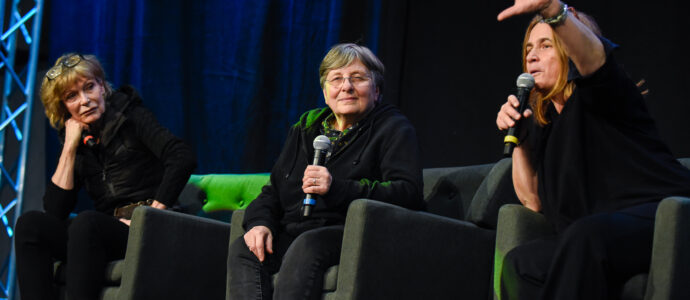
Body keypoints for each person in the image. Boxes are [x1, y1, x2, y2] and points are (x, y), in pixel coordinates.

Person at [495, 1, 690, 299]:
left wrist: (552, 9)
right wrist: (520, 139)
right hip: (597, 234)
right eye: (528, 49)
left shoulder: (603, 94)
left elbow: (593, 58)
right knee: (521, 263)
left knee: (585, 237)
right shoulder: (545, 126)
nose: (532, 56)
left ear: (568, 51)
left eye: (546, 45)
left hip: (663, 215)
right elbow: (532, 201)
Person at [227, 43, 424, 299]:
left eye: (358, 78)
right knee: (245, 248)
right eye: (337, 79)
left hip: (350, 233)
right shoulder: (305, 128)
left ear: (376, 90)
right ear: (325, 92)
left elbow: (407, 192)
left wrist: (338, 188)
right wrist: (259, 223)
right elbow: (273, 190)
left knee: (307, 246)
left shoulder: (393, 128)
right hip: (295, 229)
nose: (346, 87)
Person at [14, 53, 196, 300]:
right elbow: (55, 211)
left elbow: (182, 156)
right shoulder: (79, 141)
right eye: (72, 96)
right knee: (30, 225)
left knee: (87, 223)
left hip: (147, 225)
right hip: (105, 232)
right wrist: (69, 147)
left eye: (89, 87)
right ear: (63, 108)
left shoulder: (131, 116)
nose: (85, 100)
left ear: (103, 87)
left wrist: (150, 215)